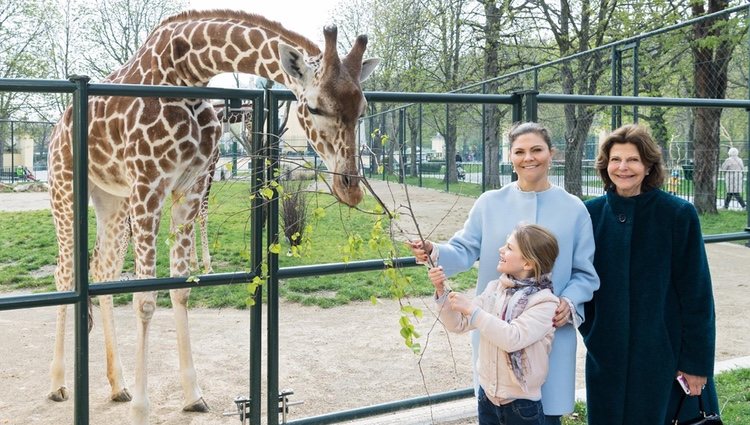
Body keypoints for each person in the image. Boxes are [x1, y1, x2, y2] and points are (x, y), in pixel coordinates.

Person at [409, 122, 599, 425]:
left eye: (537, 150)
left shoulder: (574, 208)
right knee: (496, 409)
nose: (529, 158)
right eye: (520, 151)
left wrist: (569, 302)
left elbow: (585, 273)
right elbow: (463, 250)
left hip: (545, 329)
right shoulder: (489, 203)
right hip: (495, 333)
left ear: (552, 154)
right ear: (510, 157)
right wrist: (434, 251)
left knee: (544, 414)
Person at [581, 124, 719, 424]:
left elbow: (697, 295)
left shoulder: (678, 214)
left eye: (633, 160)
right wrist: (594, 331)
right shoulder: (589, 214)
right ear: (606, 166)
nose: (623, 167)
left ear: (648, 166)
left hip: (663, 356)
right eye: (616, 159)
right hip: (606, 356)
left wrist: (695, 363)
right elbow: (579, 279)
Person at [428, 224, 560, 425]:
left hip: (521, 406)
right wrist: (441, 292)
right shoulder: (495, 289)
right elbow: (459, 324)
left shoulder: (545, 302)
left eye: (509, 248)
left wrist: (473, 311)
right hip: (487, 397)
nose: (500, 250)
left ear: (527, 264)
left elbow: (512, 338)